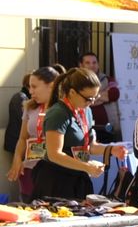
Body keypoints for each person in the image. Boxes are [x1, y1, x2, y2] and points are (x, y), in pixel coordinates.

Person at [30, 68, 126, 200]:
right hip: (56, 181)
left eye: (95, 97)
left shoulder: (85, 110)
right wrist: (87, 166)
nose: (92, 102)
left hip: (78, 179)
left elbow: (90, 146)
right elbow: (54, 154)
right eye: (88, 98)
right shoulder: (58, 113)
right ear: (72, 92)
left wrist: (110, 150)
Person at [7, 66, 59, 199]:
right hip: (29, 170)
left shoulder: (63, 109)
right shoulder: (29, 106)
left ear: (51, 85)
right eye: (29, 87)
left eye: (34, 87)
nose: (30, 91)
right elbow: (23, 138)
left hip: (54, 172)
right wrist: (17, 158)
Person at [78, 51, 121, 143]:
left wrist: (89, 97)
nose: (92, 65)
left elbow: (114, 94)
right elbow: (79, 99)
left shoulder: (107, 79)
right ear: (81, 65)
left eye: (94, 62)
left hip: (107, 129)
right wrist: (104, 95)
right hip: (84, 130)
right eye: (87, 63)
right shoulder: (76, 81)